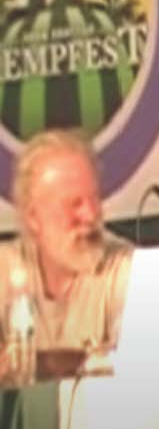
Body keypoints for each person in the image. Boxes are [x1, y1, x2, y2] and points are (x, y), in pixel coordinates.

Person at [0, 129, 132, 351]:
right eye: (74, 204)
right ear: (33, 217)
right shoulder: (7, 269)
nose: (91, 215)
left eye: (95, 199)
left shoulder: (124, 271)